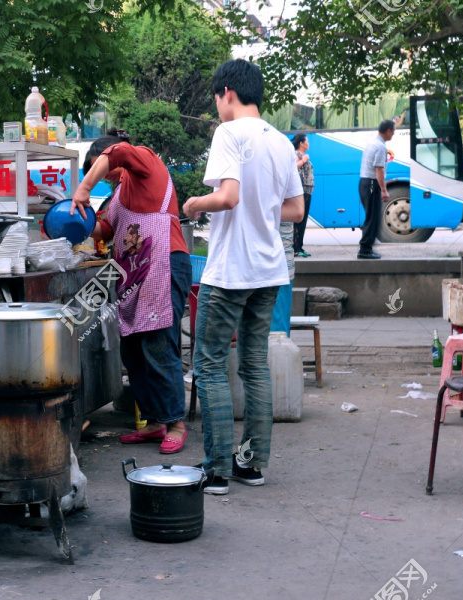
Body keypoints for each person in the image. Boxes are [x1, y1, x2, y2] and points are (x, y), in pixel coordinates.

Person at [182, 59, 304, 495]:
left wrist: (196, 202)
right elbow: (295, 210)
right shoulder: (280, 141)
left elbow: (228, 197)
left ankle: (215, 471)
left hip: (231, 269)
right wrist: (262, 207)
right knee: (254, 365)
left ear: (227, 93)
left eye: (217, 99)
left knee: (209, 363)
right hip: (269, 270)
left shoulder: (228, 133)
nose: (217, 107)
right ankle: (250, 466)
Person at [71, 128, 192, 454]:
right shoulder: (118, 195)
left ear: (109, 156)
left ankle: (176, 423)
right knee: (134, 350)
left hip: (164, 265)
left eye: (100, 170)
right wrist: (78, 222)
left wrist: (83, 188)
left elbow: (118, 154)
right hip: (134, 276)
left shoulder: (145, 161)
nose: (103, 178)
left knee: (158, 345)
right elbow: (106, 230)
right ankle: (154, 421)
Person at [357, 120, 395, 259]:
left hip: (365, 182)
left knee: (371, 217)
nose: (393, 134)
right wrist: (384, 189)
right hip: (372, 184)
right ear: (388, 131)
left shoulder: (372, 143)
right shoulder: (380, 147)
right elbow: (378, 169)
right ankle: (365, 250)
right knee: (373, 218)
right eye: (393, 131)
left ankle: (366, 248)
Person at [292, 133, 313, 257]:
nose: (308, 143)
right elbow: (293, 168)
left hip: (307, 190)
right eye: (307, 141)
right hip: (302, 190)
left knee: (303, 220)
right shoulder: (296, 155)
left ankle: (299, 246)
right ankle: (296, 248)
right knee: (300, 220)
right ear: (301, 143)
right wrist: (303, 161)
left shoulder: (302, 155)